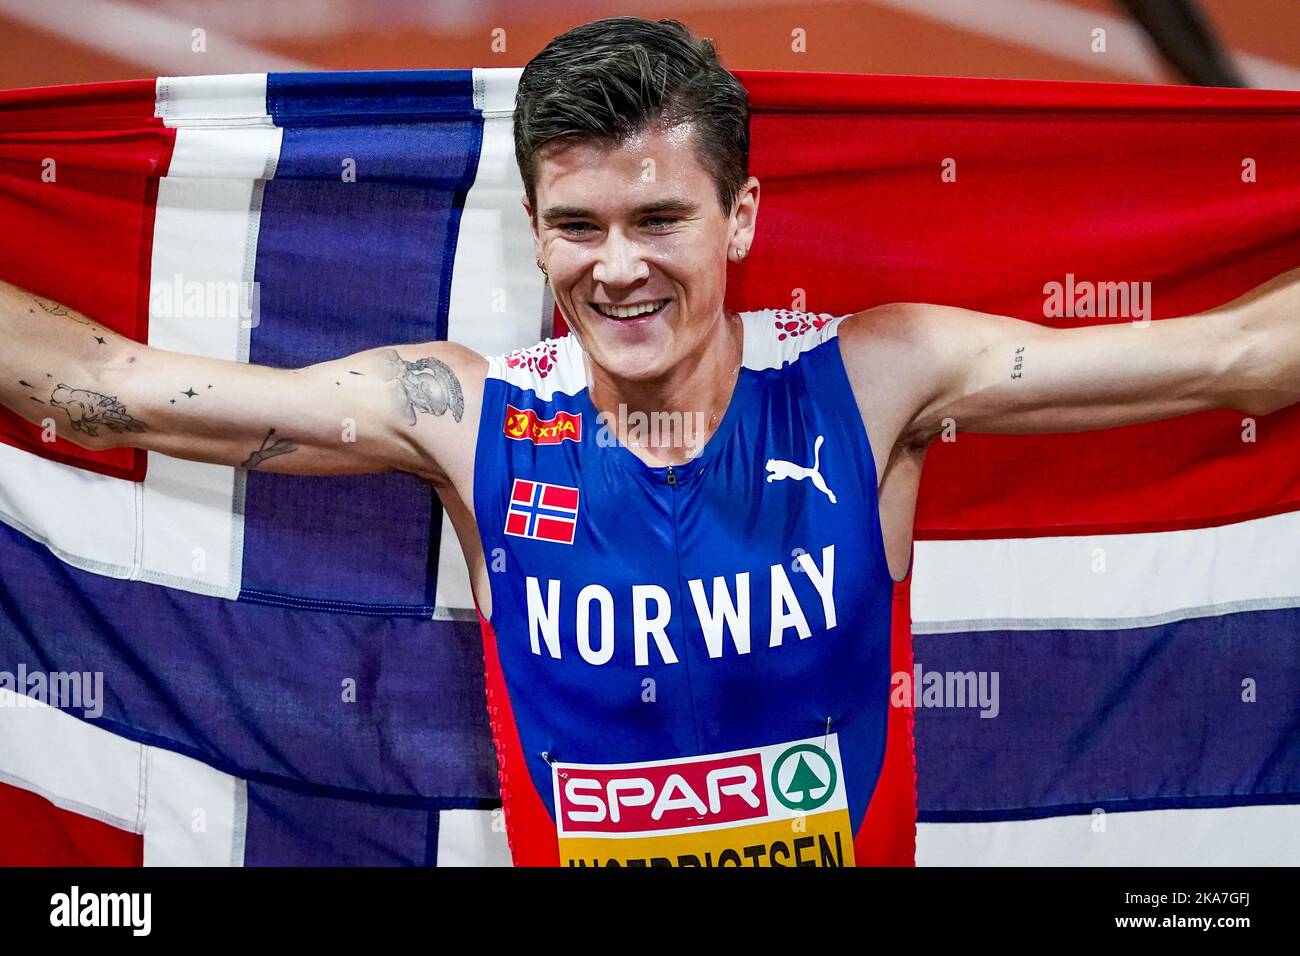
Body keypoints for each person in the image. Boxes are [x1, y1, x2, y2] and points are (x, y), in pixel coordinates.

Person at [1, 16, 1297, 867]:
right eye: (578, 225)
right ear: (536, 225)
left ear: (739, 219)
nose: (618, 269)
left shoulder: (881, 376)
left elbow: (1241, 358)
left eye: (660, 218)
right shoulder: (466, 416)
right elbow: (103, 385)